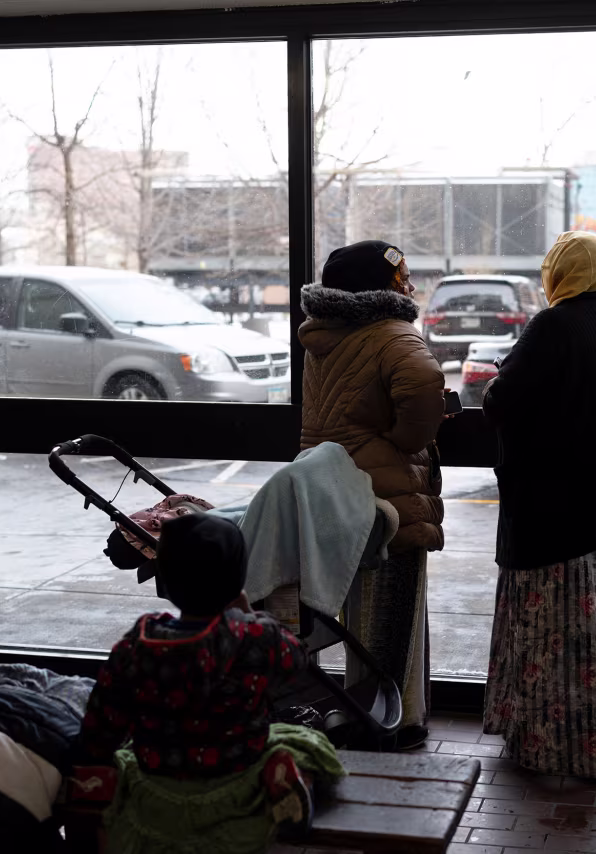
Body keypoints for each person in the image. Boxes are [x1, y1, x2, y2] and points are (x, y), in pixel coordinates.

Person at [481, 231, 596, 779]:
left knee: (543, 631)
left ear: (559, 273)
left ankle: (543, 748)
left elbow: (501, 400)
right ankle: (591, 747)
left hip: (552, 512)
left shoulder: (553, 324)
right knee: (587, 633)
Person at [77, 513, 345, 854]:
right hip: (240, 774)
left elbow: (103, 720)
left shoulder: (138, 644)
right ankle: (285, 780)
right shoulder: (252, 636)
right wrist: (251, 615)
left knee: (126, 754)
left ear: (167, 581)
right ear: (237, 580)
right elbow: (295, 661)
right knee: (304, 741)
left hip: (158, 782)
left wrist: (95, 757)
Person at [298, 239, 446, 750]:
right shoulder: (392, 333)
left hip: (331, 490)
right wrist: (406, 439)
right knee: (393, 608)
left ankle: (359, 708)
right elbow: (425, 384)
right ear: (377, 286)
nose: (409, 286)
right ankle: (396, 722)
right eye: (400, 277)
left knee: (355, 611)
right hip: (387, 499)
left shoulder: (322, 333)